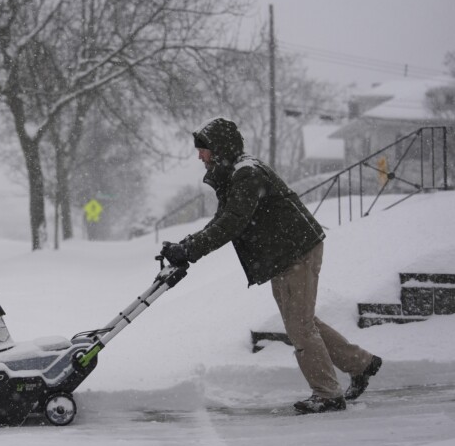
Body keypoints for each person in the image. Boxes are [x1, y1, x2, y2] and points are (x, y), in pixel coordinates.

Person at [160, 116, 382, 414]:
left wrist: (189, 250)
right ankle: (361, 363)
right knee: (303, 321)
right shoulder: (236, 172)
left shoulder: (246, 174)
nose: (200, 155)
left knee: (299, 325)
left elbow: (231, 224)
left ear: (220, 148)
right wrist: (185, 246)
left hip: (296, 251)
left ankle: (328, 393)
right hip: (285, 253)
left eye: (204, 149)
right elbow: (222, 219)